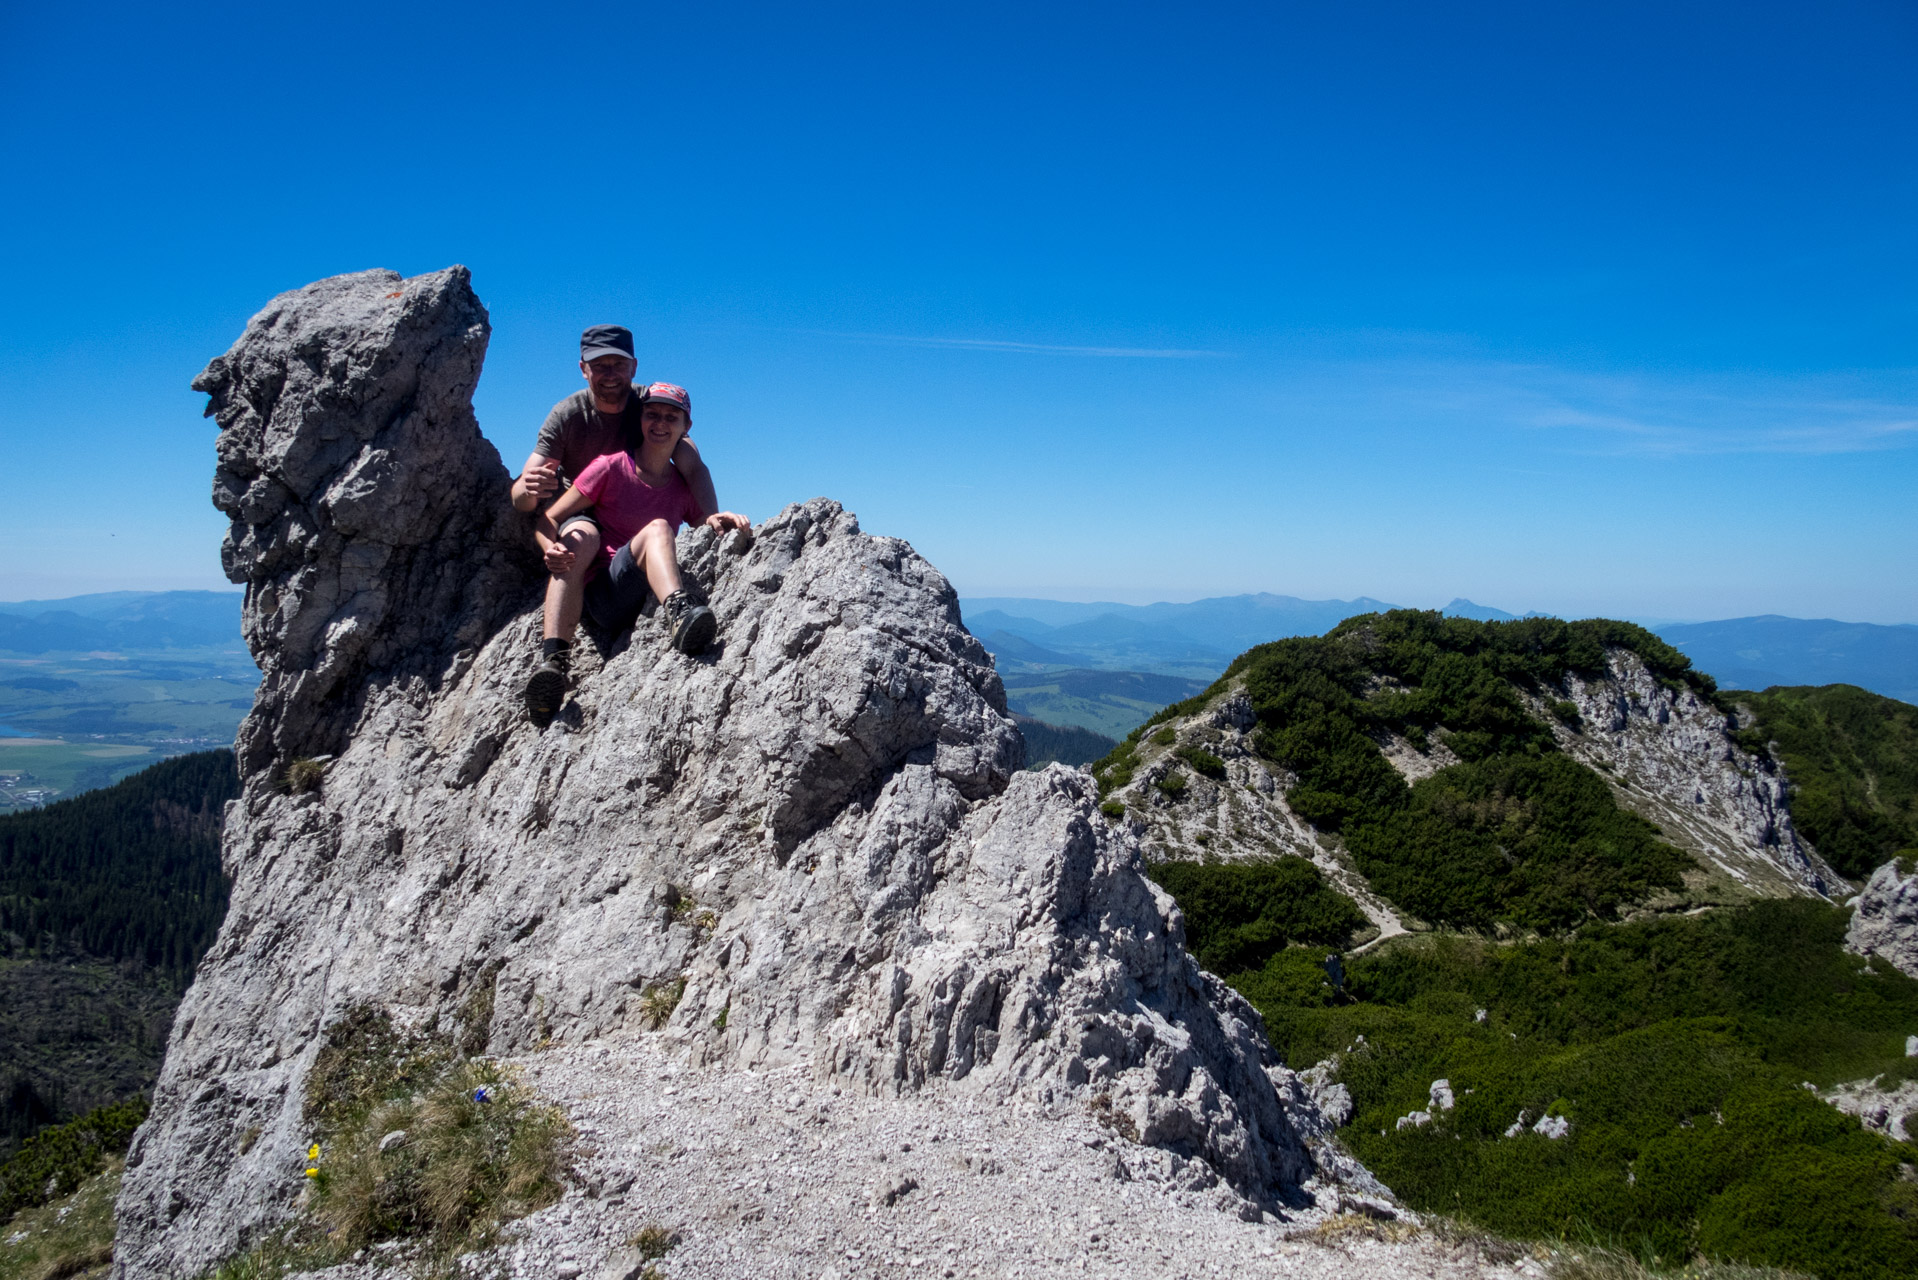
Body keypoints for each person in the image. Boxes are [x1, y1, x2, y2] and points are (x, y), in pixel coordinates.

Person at [513, 326, 718, 718]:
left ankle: (678, 612)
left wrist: (714, 518)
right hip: (591, 540)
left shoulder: (648, 402)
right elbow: (532, 507)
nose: (610, 373)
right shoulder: (574, 422)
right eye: (599, 365)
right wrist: (529, 494)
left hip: (632, 578)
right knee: (584, 535)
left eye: (618, 364)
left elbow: (695, 469)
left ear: (633, 366)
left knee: (654, 528)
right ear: (584, 369)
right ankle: (554, 661)